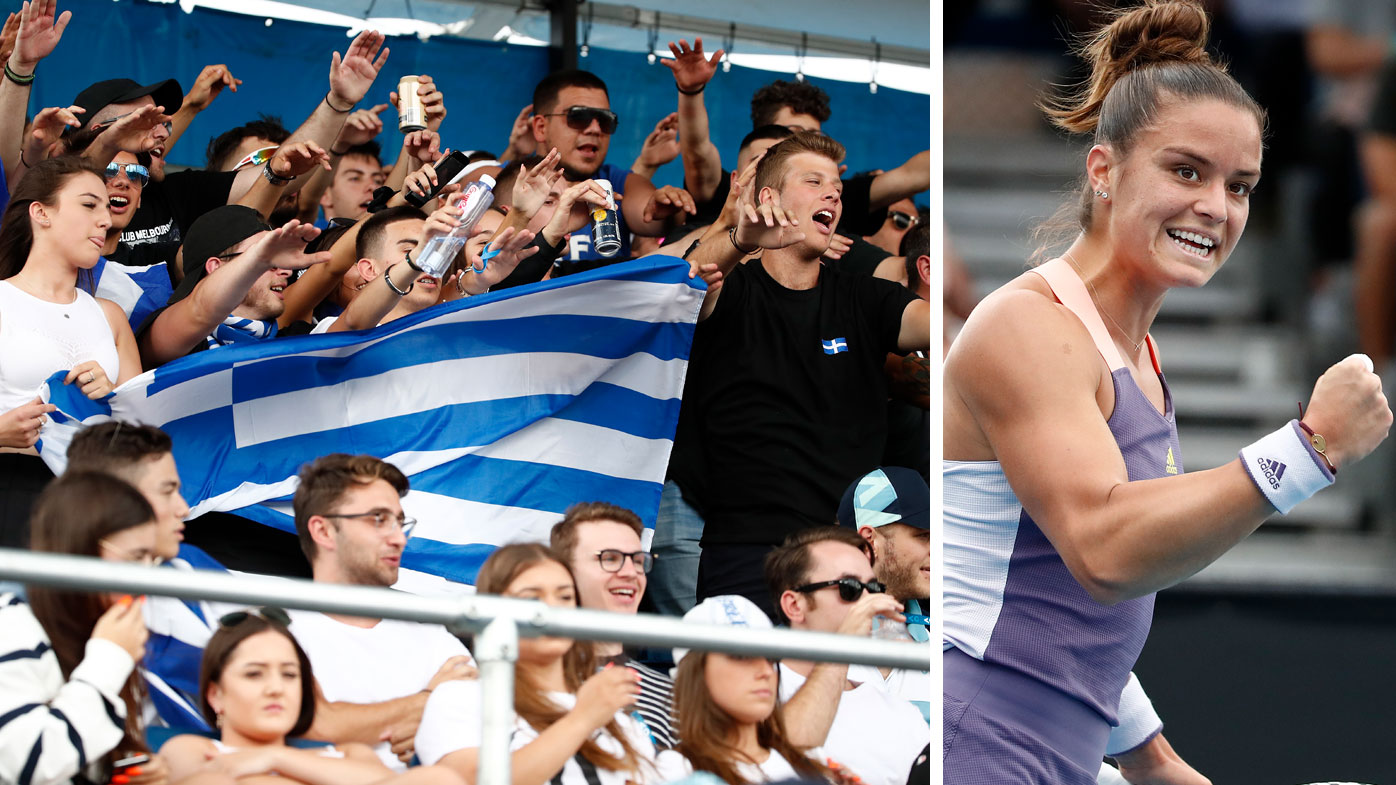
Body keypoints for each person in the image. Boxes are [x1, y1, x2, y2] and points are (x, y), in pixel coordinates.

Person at [941, 3, 1391, 783]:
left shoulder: (1137, 353)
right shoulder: (1028, 325)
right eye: (1186, 171)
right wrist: (1308, 449)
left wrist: (1151, 757)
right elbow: (1104, 550)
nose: (1216, 208)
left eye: (1241, 185)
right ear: (1104, 169)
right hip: (979, 740)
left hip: (1052, 746)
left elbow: (1059, 595)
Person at [664, 132, 930, 618]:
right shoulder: (730, 287)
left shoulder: (864, 299)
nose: (833, 193)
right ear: (767, 199)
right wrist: (739, 238)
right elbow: (682, 290)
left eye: (837, 186)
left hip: (845, 558)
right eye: (814, 181)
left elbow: (945, 326)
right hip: (745, 550)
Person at [288, 453, 477, 770]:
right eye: (378, 519)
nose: (398, 538)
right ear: (323, 531)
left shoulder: (432, 637)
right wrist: (429, 701)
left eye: (400, 522)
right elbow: (314, 724)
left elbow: (483, 725)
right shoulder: (275, 630)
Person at [415, 543, 661, 785]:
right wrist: (581, 719)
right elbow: (469, 779)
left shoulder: (614, 715)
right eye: (532, 598)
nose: (552, 609)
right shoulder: (463, 697)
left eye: (565, 596)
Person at [0, 156, 142, 548]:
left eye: (106, 209)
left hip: (97, 504)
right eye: (89, 204)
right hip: (13, 490)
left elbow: (143, 441)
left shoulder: (110, 317)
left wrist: (112, 395)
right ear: (41, 213)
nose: (106, 219)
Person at [160, 609, 465, 785]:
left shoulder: (350, 754)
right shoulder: (194, 750)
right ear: (216, 696)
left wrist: (275, 757)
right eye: (254, 674)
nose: (275, 688)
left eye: (290, 675)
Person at [0, 471, 163, 785]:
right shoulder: (11, 624)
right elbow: (25, 762)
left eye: (152, 561)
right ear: (81, 552)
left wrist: (125, 771)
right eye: (135, 558)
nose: (149, 578)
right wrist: (109, 659)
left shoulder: (93, 633)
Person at [764, 527, 928, 785]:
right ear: (794, 606)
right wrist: (844, 642)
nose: (867, 600)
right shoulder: (751, 690)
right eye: (849, 587)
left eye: (873, 588)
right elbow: (777, 761)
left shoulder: (902, 713)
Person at [654, 595, 838, 785]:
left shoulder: (810, 759)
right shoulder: (676, 768)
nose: (766, 671)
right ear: (696, 672)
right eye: (741, 655)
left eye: (770, 658)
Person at [526, 69, 692, 267]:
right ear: (541, 128)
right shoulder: (503, 182)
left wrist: (666, 207)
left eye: (605, 121)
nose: (595, 129)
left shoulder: (619, 182)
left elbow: (650, 217)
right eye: (579, 117)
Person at [549, 502, 677, 749]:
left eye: (638, 560)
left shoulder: (671, 697)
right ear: (565, 572)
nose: (631, 572)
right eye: (610, 558)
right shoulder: (525, 681)